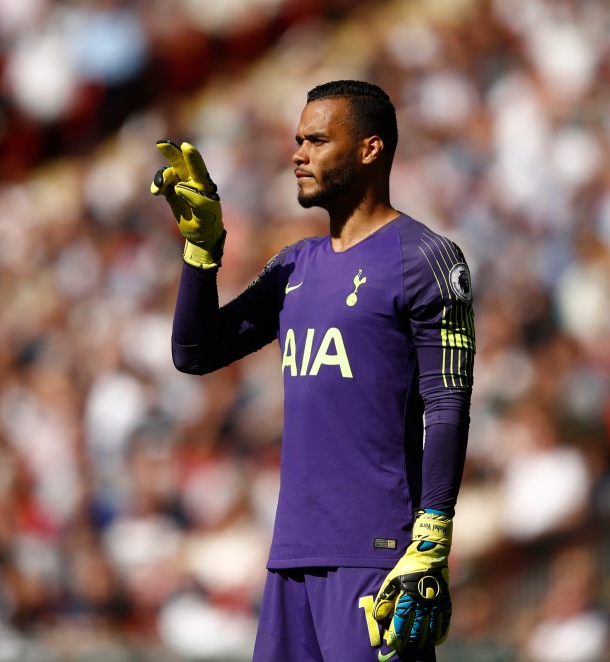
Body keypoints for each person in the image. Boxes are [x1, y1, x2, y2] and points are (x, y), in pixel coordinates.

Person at [150, 80, 475, 662]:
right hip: (291, 557)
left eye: (317, 140)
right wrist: (202, 252)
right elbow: (194, 352)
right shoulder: (294, 265)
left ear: (370, 149)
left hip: (378, 555)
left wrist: (432, 533)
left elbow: (447, 404)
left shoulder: (426, 259)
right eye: (298, 139)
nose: (298, 153)